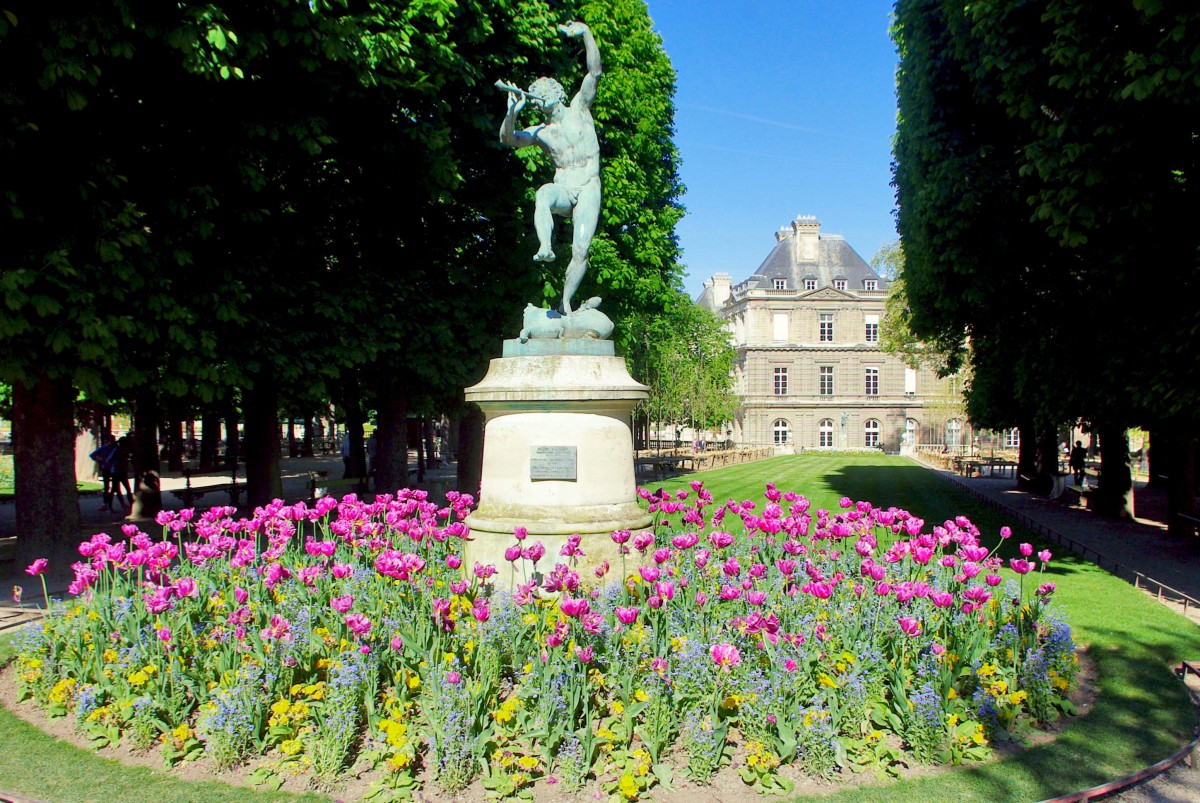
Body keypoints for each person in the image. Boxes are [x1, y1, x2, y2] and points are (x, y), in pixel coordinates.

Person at [499, 21, 602, 314]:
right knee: (543, 193)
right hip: (565, 188)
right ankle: (545, 247)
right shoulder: (541, 132)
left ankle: (566, 303)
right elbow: (509, 139)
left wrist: (586, 34)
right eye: (536, 95)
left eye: (543, 91)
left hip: (588, 186)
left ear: (556, 92)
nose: (540, 98)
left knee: (580, 249)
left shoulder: (579, 108)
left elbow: (594, 72)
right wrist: (511, 112)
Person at [89, 434, 118, 512]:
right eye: (111, 440)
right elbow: (92, 455)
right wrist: (100, 459)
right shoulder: (103, 448)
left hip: (113, 468)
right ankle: (105, 503)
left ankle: (109, 504)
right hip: (106, 468)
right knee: (107, 487)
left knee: (114, 487)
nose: (112, 442)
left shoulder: (114, 448)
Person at [111, 435, 133, 512]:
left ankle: (129, 504)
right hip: (117, 471)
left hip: (120, 471)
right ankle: (122, 504)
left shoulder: (124, 451)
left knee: (122, 488)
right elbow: (110, 459)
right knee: (116, 489)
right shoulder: (117, 451)